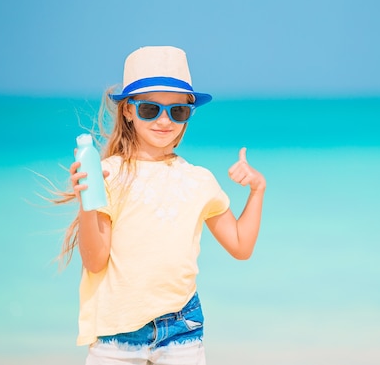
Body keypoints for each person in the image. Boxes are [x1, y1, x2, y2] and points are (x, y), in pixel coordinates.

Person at [62, 46, 266, 365]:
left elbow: (240, 245)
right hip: (116, 335)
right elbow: (95, 261)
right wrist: (86, 203)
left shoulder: (199, 180)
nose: (164, 120)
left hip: (182, 329)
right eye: (150, 109)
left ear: (188, 113)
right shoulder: (108, 174)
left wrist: (257, 189)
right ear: (128, 110)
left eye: (177, 111)